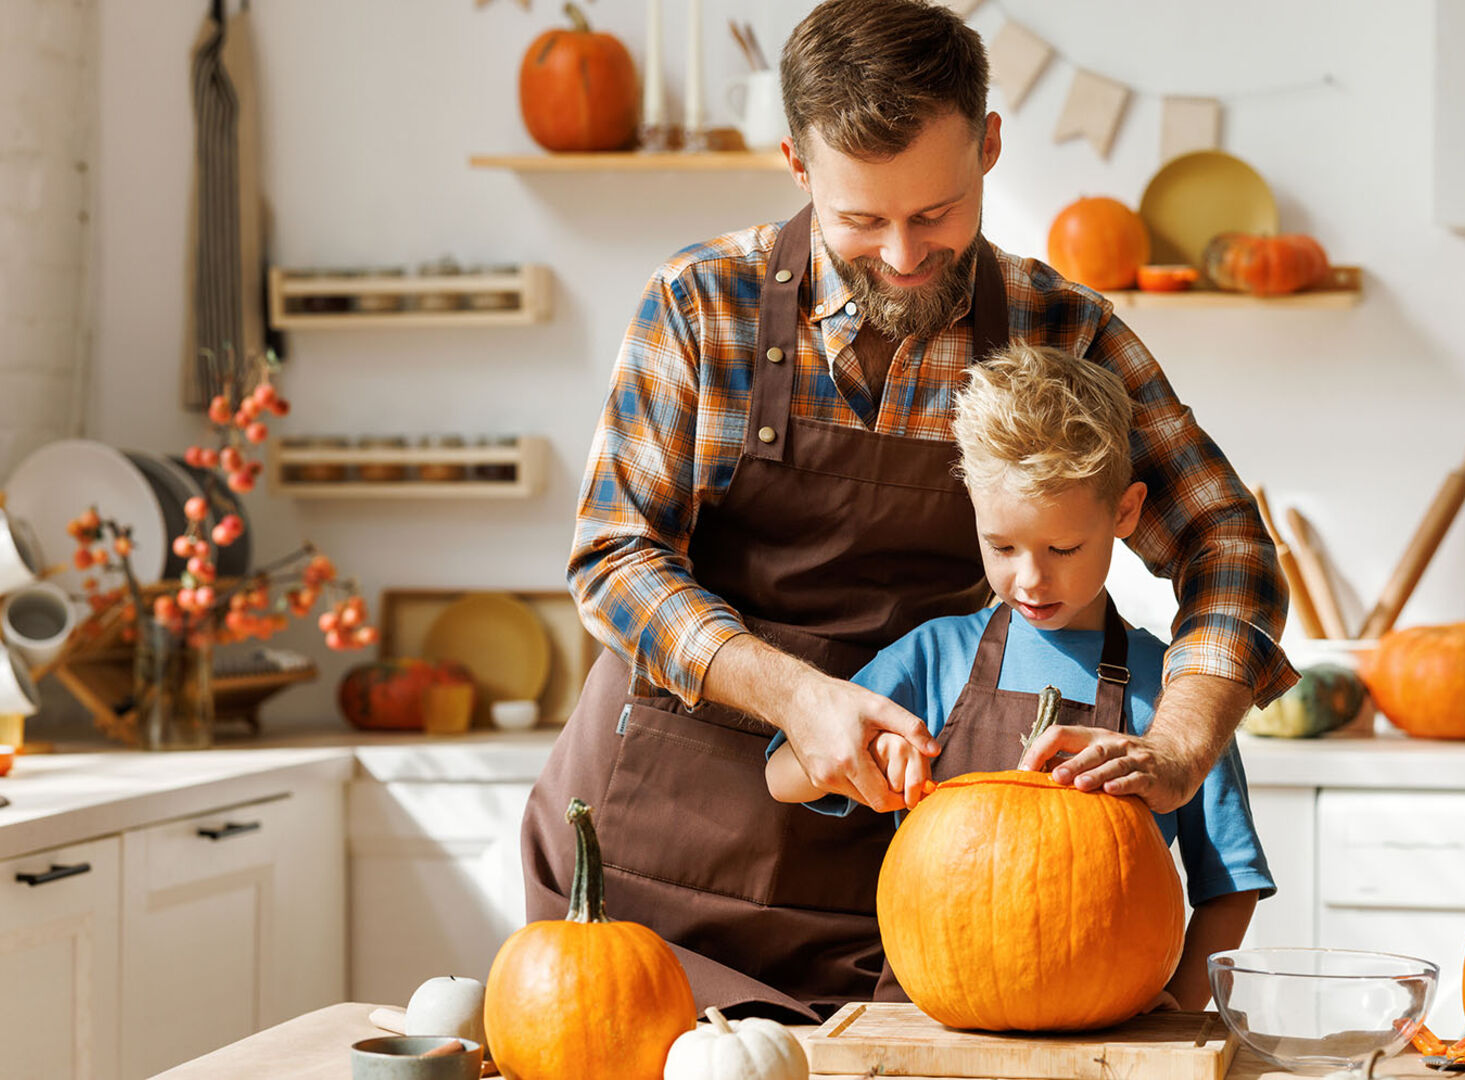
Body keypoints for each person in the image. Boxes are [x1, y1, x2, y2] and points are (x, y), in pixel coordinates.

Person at [520, 0, 1296, 1022]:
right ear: (797, 164)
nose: (899, 254)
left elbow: (1224, 542)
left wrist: (1183, 745)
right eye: (860, 219)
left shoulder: (1063, 332)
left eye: (936, 213)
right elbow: (614, 559)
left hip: (917, 895)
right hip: (647, 875)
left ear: (989, 146)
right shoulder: (701, 305)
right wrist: (798, 699)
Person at [765, 342, 1272, 1010]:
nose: (1030, 579)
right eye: (1001, 547)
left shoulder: (1175, 690)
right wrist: (864, 754)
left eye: (1063, 548)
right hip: (927, 1023)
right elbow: (782, 779)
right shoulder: (932, 657)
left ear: (1123, 513)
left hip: (1106, 1032)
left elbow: (1228, 884)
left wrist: (1175, 1006)